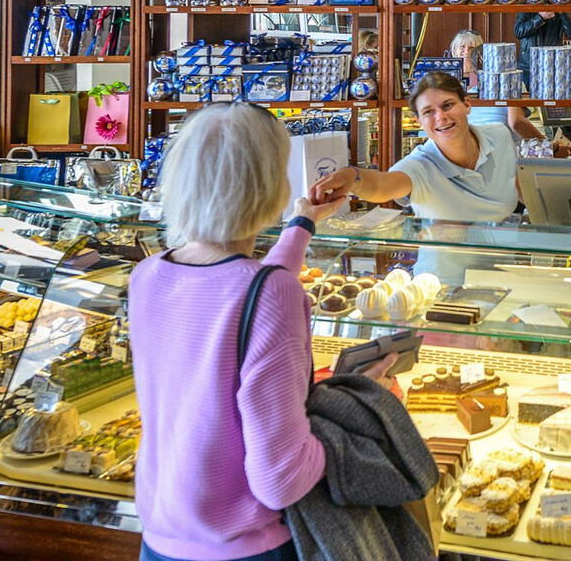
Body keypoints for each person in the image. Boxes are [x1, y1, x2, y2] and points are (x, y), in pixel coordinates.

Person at [128, 102, 397, 561]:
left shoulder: (150, 274)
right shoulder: (273, 293)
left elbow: (236, 295)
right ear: (268, 183)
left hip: (159, 542)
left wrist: (303, 224)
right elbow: (282, 479)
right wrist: (355, 404)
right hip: (249, 550)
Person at [308, 72, 518, 223]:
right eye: (428, 112)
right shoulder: (420, 166)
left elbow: (516, 184)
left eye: (447, 105)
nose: (441, 117)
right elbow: (383, 186)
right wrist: (351, 177)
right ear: (419, 121)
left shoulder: (498, 135)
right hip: (444, 281)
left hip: (504, 271)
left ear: (468, 105)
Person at [449, 29, 548, 146]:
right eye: (462, 47)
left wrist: (549, 148)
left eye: (472, 48)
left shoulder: (510, 81)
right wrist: (551, 149)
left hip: (501, 152)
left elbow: (517, 122)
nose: (466, 52)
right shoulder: (450, 85)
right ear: (454, 51)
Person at [514, 11, 571, 89]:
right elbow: (518, 32)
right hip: (528, 66)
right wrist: (540, 18)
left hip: (552, 65)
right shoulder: (527, 7)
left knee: (552, 98)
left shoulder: (559, 10)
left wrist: (563, 11)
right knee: (527, 99)